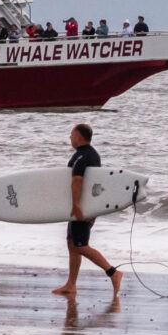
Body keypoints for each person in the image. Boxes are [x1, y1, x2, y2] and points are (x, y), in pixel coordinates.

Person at [48, 123, 123, 303]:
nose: (70, 137)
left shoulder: (83, 156)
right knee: (72, 244)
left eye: (72, 134)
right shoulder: (87, 154)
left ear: (79, 136)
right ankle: (70, 285)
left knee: (80, 245)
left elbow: (78, 181)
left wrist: (76, 205)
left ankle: (113, 272)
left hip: (82, 207)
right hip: (79, 206)